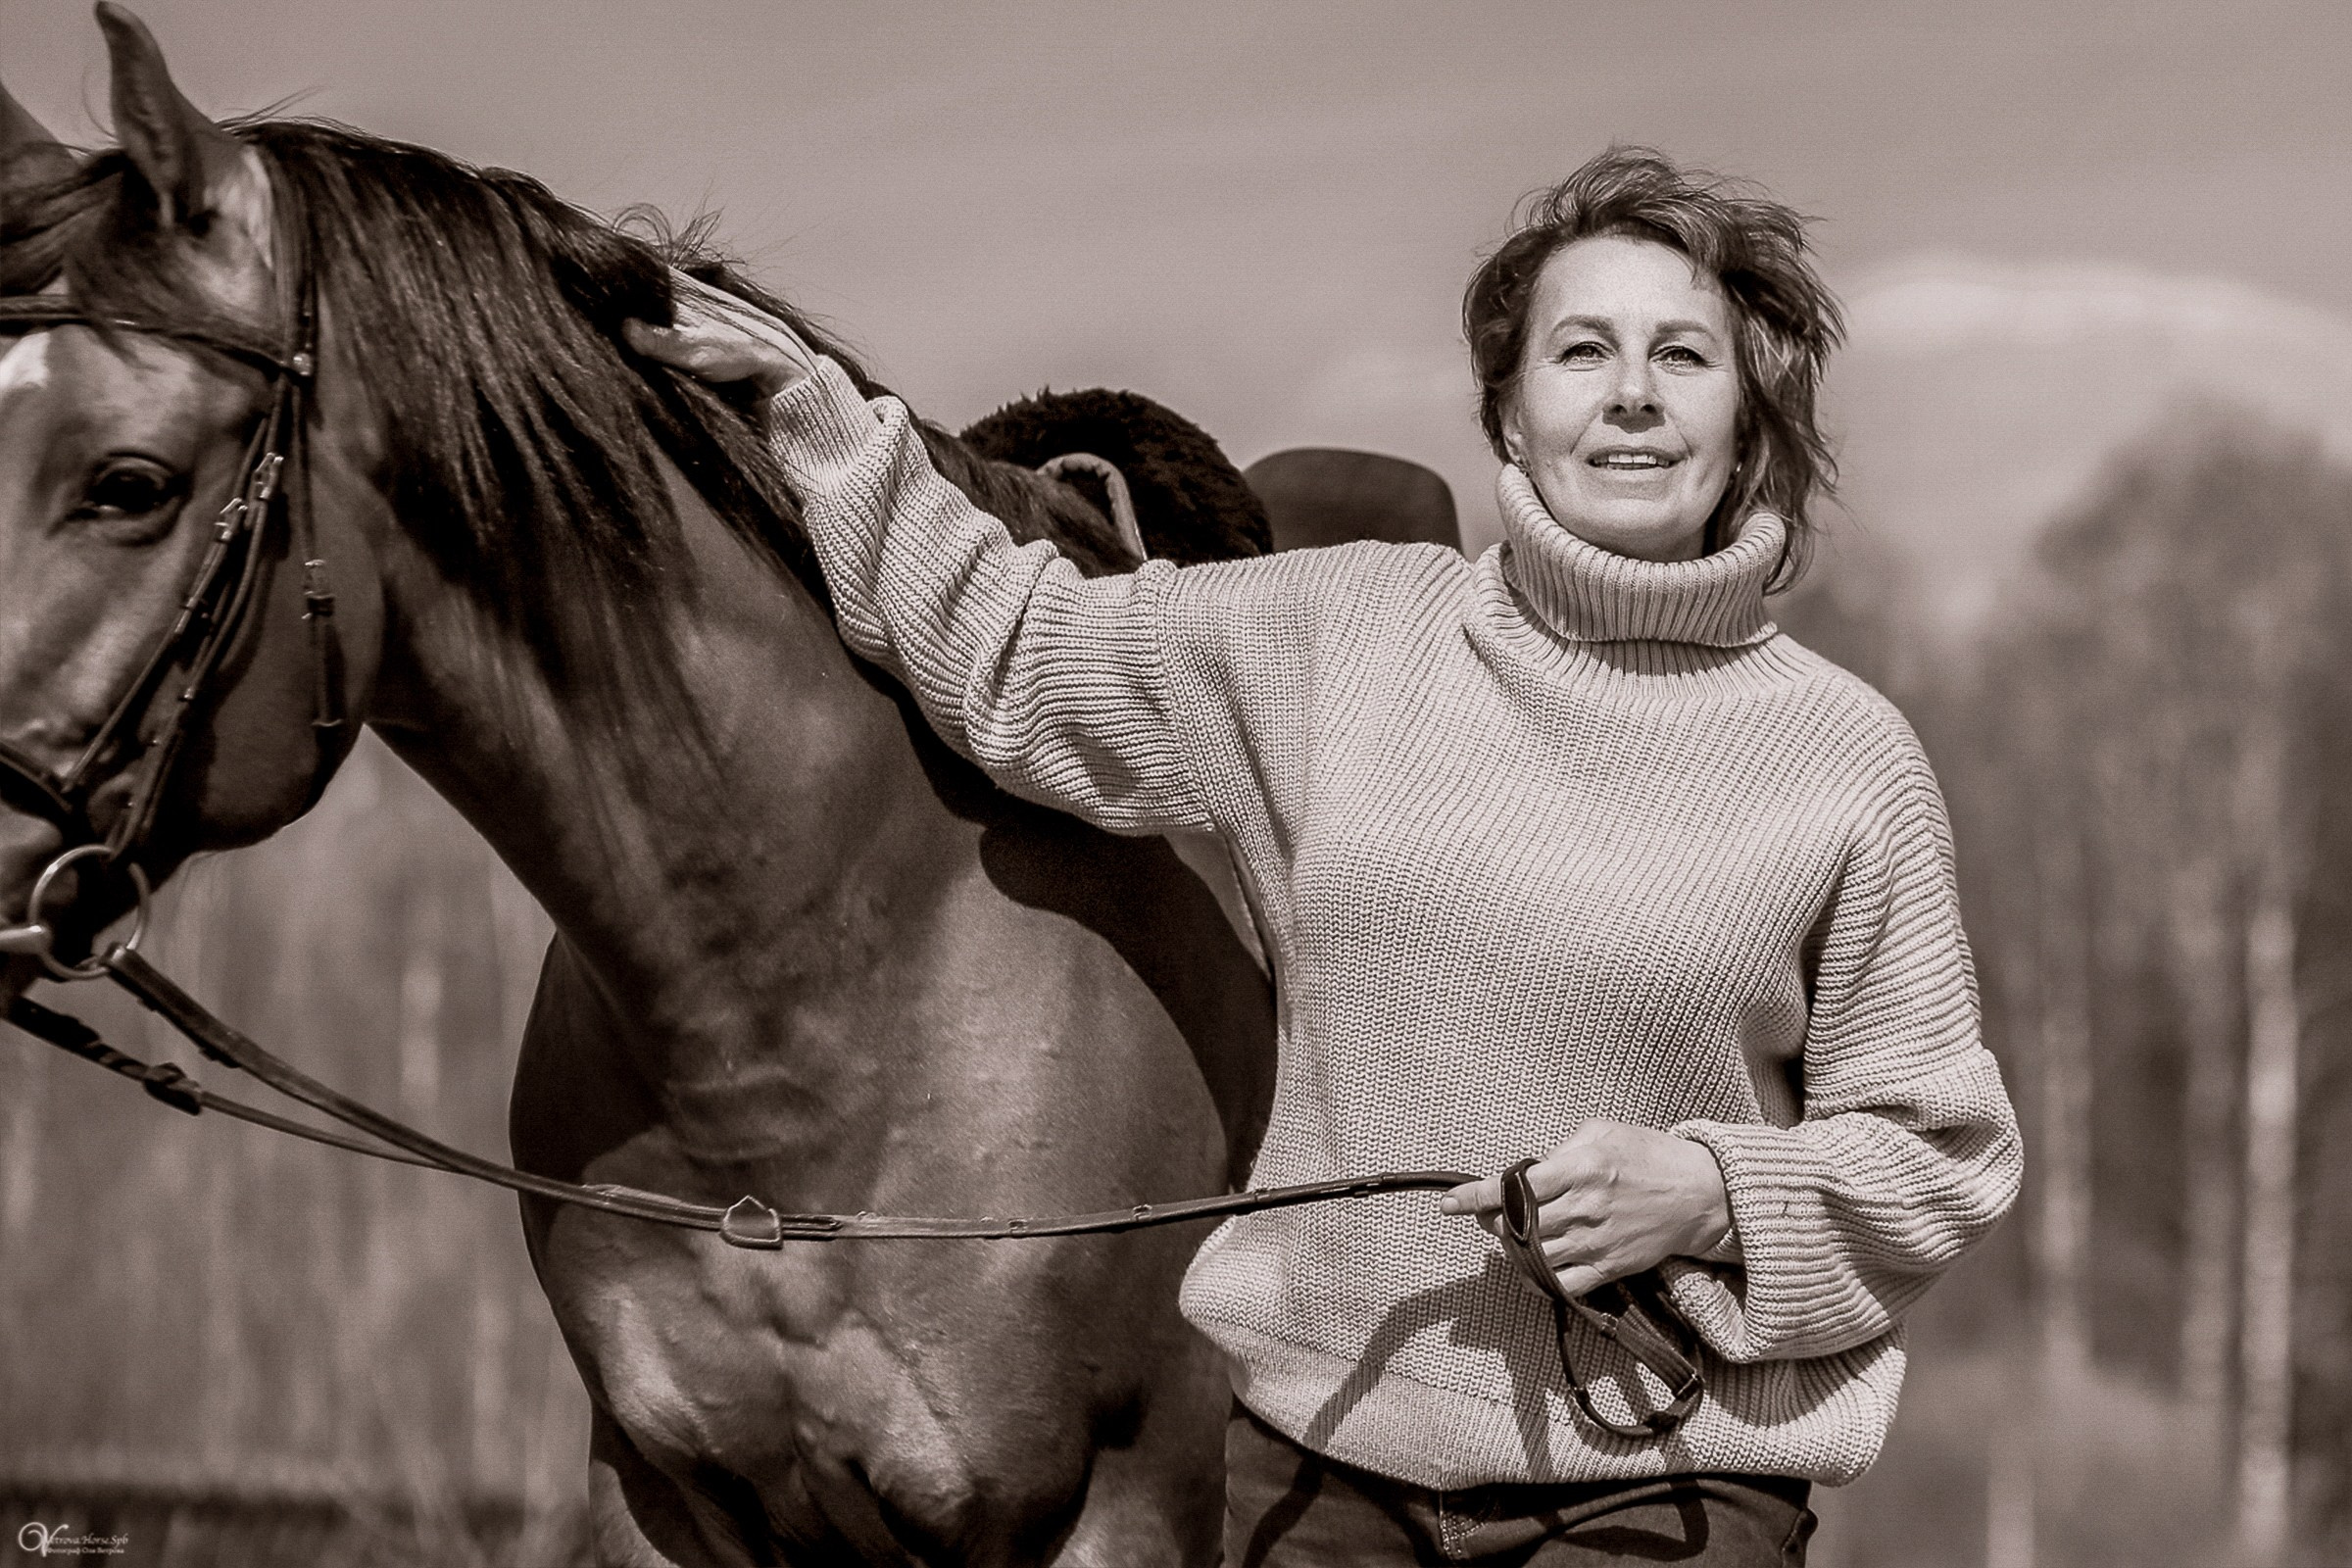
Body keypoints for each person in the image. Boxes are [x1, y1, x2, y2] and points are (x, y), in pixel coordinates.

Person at [626, 147, 2022, 1567]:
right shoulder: (1334, 637)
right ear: (1510, 417)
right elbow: (1016, 647)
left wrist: (1711, 1191)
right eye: (1581, 351)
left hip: (1659, 1501)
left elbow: (1939, 1157)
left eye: (1684, 355)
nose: (1632, 395)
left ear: (1749, 423)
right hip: (1319, 1486)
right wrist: (810, 412)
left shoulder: (1846, 758)